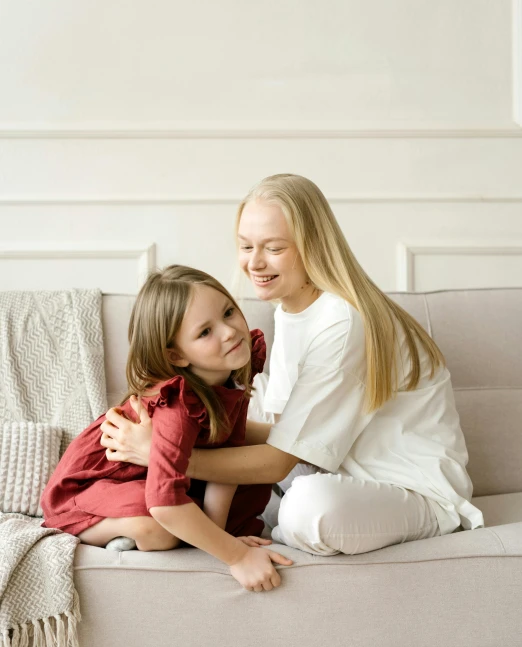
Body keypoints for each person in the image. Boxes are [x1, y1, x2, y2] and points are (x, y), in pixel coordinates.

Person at [100, 173, 485, 557]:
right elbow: (285, 434)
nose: (255, 262)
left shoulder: (342, 321)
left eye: (274, 248)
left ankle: (268, 530)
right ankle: (134, 528)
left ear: (311, 245)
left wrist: (162, 454)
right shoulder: (290, 308)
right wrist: (171, 435)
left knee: (306, 506)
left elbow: (278, 461)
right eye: (246, 246)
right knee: (209, 494)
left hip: (411, 491)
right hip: (331, 472)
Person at [40, 264, 293, 592]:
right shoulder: (178, 405)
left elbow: (228, 456)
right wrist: (236, 557)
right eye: (205, 332)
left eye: (229, 312)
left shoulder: (229, 372)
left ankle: (179, 534)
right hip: (89, 488)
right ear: (177, 355)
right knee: (159, 528)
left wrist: (217, 539)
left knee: (248, 491)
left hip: (153, 478)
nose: (229, 331)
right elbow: (163, 500)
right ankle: (101, 532)